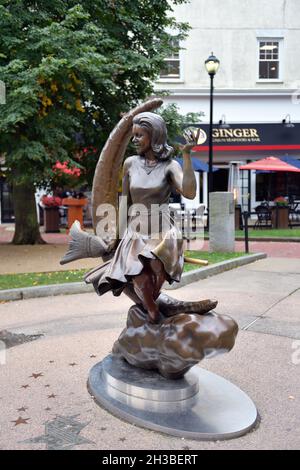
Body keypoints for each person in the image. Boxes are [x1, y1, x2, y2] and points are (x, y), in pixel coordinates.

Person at [84, 112, 198, 323]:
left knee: (155, 265)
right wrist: (117, 238)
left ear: (154, 137)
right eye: (133, 135)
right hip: (136, 229)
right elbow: (124, 203)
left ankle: (151, 305)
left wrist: (188, 157)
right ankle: (152, 309)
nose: (134, 140)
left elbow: (189, 192)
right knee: (135, 269)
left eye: (139, 135)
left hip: (162, 230)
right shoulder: (130, 163)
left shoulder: (170, 166)